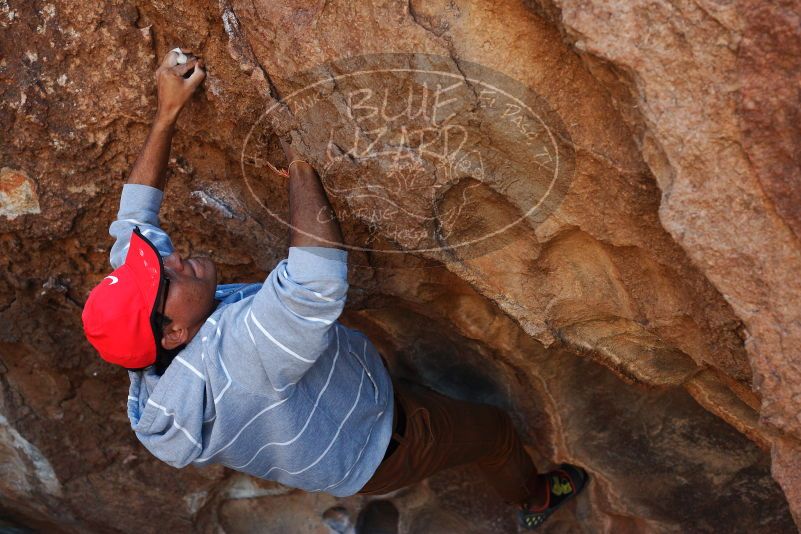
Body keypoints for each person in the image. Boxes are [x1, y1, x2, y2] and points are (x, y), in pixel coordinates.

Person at [81, 49, 589, 530]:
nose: (171, 260)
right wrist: (302, 165)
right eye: (164, 279)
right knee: (495, 432)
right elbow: (315, 284)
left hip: (336, 420)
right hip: (379, 444)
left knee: (407, 395)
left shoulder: (152, 339)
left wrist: (167, 112)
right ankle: (533, 500)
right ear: (173, 333)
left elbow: (133, 222)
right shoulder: (236, 362)